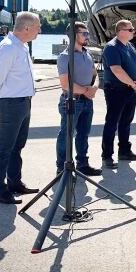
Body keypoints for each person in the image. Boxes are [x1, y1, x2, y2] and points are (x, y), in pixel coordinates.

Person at [0, 11, 41, 204]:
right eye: (37, 27)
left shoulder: (22, 46)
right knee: (4, 147)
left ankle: (14, 183)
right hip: (11, 104)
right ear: (26, 28)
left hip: (24, 101)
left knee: (17, 146)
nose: (39, 31)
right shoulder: (8, 48)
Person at [55, 22, 102, 176]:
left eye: (88, 33)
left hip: (87, 101)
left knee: (83, 134)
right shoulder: (65, 57)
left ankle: (83, 164)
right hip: (72, 101)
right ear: (74, 35)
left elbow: (95, 75)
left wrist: (94, 88)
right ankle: (61, 168)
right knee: (66, 135)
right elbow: (65, 83)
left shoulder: (86, 53)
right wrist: (86, 91)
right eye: (84, 33)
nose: (87, 36)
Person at [101, 19, 136, 169]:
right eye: (130, 29)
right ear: (120, 32)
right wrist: (133, 84)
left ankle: (124, 151)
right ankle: (107, 156)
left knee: (126, 122)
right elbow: (116, 70)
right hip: (116, 90)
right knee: (112, 123)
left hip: (130, 90)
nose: (133, 31)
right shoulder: (112, 47)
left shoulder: (130, 46)